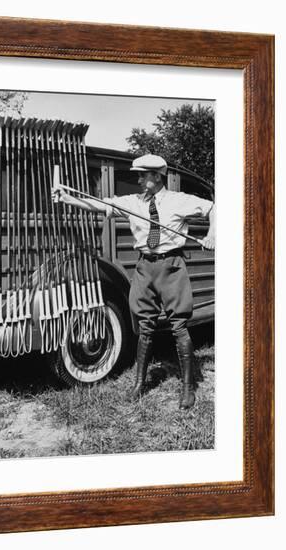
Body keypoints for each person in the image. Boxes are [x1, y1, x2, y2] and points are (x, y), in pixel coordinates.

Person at [52, 154, 215, 409]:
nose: (138, 180)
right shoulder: (132, 202)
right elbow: (98, 204)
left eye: (142, 175)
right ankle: (139, 384)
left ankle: (187, 388)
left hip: (171, 266)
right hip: (144, 267)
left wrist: (212, 233)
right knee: (145, 326)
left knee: (179, 326)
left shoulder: (179, 200)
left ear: (156, 176)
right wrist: (67, 198)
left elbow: (214, 208)